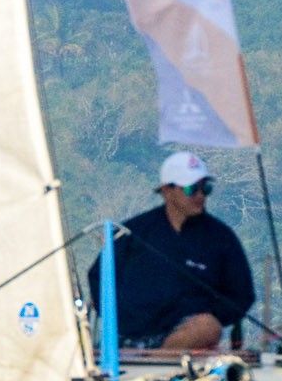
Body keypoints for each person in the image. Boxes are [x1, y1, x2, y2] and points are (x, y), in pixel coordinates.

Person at [93, 150, 256, 351]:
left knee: (208, 327)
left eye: (205, 188)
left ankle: (156, 359)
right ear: (167, 191)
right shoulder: (134, 231)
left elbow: (241, 294)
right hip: (131, 334)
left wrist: (209, 314)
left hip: (186, 337)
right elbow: (98, 276)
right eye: (191, 189)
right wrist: (123, 319)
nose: (199, 195)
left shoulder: (221, 237)